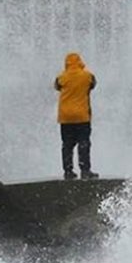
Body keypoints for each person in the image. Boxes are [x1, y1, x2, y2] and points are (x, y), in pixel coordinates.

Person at [55, 52, 99, 180]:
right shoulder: (87, 76)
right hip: (82, 116)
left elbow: (56, 87)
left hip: (65, 117)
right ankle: (85, 170)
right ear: (79, 62)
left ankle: (68, 171)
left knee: (67, 144)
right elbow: (93, 85)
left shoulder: (62, 77)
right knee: (84, 142)